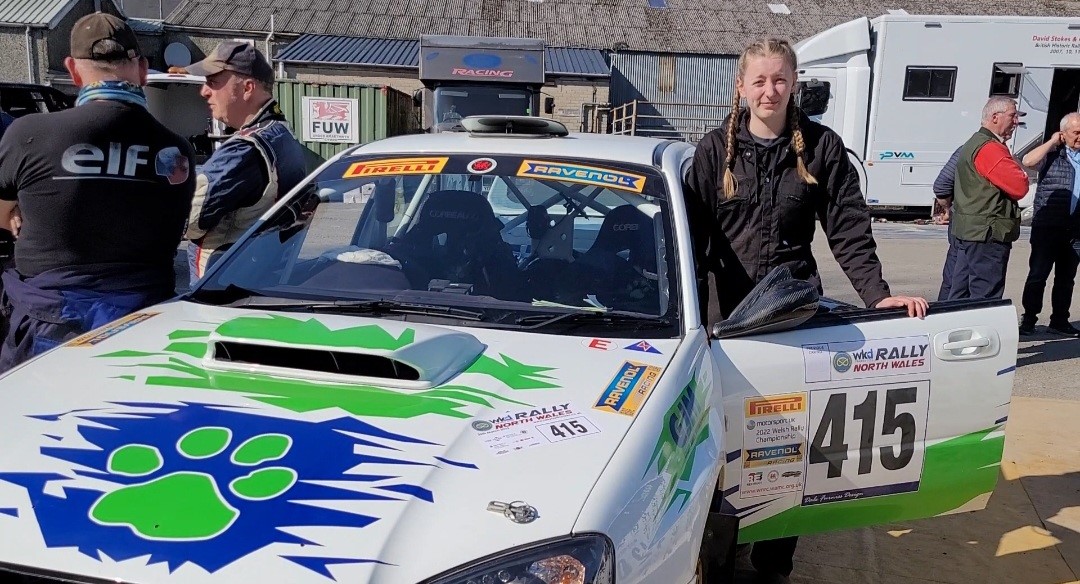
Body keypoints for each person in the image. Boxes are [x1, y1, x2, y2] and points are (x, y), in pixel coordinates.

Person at [683, 37, 927, 584]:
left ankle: (775, 563)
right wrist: (687, 319)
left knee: (785, 442)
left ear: (794, 83)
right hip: (727, 325)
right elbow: (690, 242)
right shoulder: (711, 152)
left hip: (794, 321)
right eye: (759, 81)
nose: (770, 91)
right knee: (723, 443)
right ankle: (719, 552)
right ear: (742, 88)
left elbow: (848, 230)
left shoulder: (821, 148)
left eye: (780, 80)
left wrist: (877, 295)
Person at [0, 13, 194, 370]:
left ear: (73, 70)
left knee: (39, 421)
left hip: (54, 318)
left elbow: (1, 215)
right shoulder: (175, 148)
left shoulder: (28, 134)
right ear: (142, 70)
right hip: (145, 318)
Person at [183, 40, 306, 284]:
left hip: (220, 290)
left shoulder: (245, 150)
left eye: (213, 82)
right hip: (261, 281)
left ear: (247, 88)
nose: (204, 91)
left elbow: (185, 220)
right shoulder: (282, 135)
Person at [943, 97, 1029, 301]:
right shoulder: (990, 148)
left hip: (971, 231)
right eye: (1012, 115)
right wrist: (1021, 171)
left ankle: (956, 327)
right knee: (985, 293)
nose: (1016, 121)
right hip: (987, 234)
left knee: (960, 290)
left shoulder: (975, 143)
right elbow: (1020, 186)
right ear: (995, 117)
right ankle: (977, 330)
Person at [1017, 113, 1080, 336]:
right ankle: (1029, 320)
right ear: (1064, 134)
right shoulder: (1052, 156)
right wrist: (1053, 141)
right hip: (1048, 226)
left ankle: (1059, 320)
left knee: (1066, 278)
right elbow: (1027, 161)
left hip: (1075, 229)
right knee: (1038, 275)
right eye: (1076, 133)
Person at [933, 146, 962, 300]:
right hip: (975, 231)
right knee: (961, 281)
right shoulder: (977, 148)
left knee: (951, 278)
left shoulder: (966, 148)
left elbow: (942, 185)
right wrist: (948, 208)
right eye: (1012, 119)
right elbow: (941, 185)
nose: (1016, 122)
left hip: (960, 225)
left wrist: (948, 208)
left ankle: (942, 317)